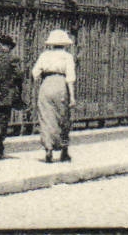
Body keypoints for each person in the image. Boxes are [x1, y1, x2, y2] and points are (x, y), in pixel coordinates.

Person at [30, 29, 76, 163]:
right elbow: (70, 77)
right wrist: (72, 96)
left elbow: (35, 73)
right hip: (61, 85)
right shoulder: (67, 56)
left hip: (46, 85)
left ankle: (48, 149)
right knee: (63, 118)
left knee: (46, 117)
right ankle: (64, 150)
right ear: (65, 44)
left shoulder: (44, 55)